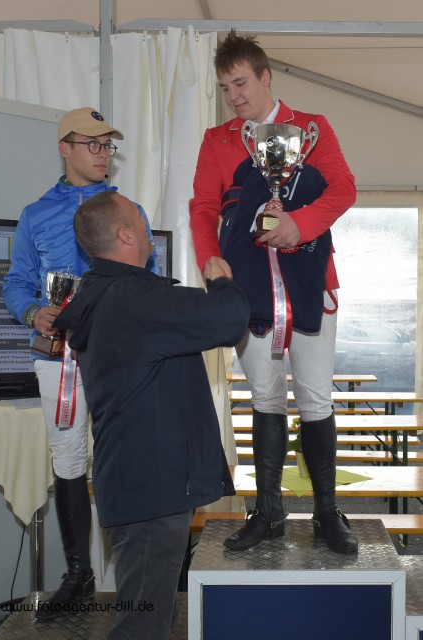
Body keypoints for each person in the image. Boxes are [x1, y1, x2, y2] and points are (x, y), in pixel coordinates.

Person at [189, 31, 358, 554]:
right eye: (224, 87)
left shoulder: (312, 129)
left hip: (309, 286)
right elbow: (202, 207)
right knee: (264, 397)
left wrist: (300, 225)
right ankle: (268, 512)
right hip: (248, 290)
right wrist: (207, 259)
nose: (234, 95)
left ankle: (327, 513)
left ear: (266, 76)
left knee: (315, 398)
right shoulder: (218, 140)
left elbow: (343, 190)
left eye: (241, 82)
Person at [53, 190, 250, 639]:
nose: (146, 227)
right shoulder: (133, 300)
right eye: (139, 221)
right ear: (125, 235)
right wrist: (221, 280)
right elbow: (228, 320)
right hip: (150, 492)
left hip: (139, 484)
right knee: (141, 626)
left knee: (151, 617)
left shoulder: (106, 295)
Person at [3, 107, 160, 621]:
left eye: (107, 145)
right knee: (67, 462)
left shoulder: (127, 207)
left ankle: (135, 578)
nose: (101, 154)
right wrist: (33, 310)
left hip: (118, 355)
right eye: (91, 144)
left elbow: (151, 275)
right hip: (59, 356)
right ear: (64, 148)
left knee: (123, 458)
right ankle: (79, 575)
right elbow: (16, 283)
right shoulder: (34, 214)